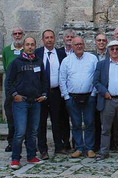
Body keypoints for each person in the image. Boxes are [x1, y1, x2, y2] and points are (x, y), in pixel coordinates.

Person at [6, 37, 47, 169]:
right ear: (23, 46)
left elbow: (44, 81)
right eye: (28, 44)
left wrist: (44, 95)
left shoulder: (39, 62)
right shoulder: (16, 62)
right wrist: (14, 95)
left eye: (32, 44)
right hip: (21, 102)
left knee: (33, 131)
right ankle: (15, 158)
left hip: (35, 102)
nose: (30, 47)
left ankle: (31, 156)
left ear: (35, 46)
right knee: (20, 132)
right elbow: (8, 82)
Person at [60, 37, 98, 159]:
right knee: (76, 123)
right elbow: (62, 79)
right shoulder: (66, 61)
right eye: (76, 44)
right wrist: (66, 96)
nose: (79, 46)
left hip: (89, 96)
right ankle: (79, 148)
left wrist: (93, 93)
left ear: (84, 45)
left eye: (81, 44)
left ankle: (90, 148)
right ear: (72, 46)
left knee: (90, 123)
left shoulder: (92, 58)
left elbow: (96, 77)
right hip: (72, 97)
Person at [35, 29, 69, 159]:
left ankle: (59, 147)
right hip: (42, 93)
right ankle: (43, 149)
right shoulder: (37, 53)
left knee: (57, 121)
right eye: (47, 38)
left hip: (56, 92)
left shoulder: (61, 54)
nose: (49, 40)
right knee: (41, 122)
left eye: (51, 37)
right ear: (43, 40)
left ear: (54, 39)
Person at [2, 27, 25, 152]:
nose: (17, 36)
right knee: (10, 115)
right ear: (12, 35)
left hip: (24, 86)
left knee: (25, 115)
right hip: (11, 87)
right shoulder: (6, 50)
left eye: (19, 33)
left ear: (23, 35)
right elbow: (5, 67)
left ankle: (26, 141)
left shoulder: (27, 50)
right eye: (15, 34)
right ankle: (11, 141)